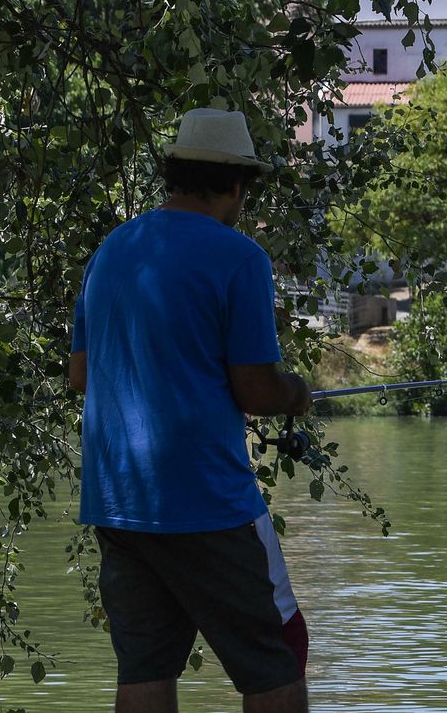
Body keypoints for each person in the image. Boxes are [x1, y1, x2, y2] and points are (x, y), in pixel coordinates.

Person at [69, 108, 314, 713]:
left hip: (118, 500)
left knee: (146, 667)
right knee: (277, 656)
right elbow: (256, 391)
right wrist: (296, 392)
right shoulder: (239, 257)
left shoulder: (114, 249)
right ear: (235, 183)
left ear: (175, 174)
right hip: (204, 499)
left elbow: (81, 376)